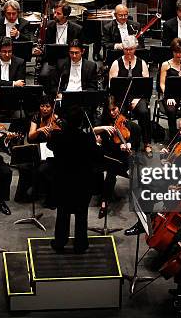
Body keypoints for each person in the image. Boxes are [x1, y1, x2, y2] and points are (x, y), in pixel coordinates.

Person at [48, 105, 102, 253]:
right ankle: (80, 244)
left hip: (63, 181)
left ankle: (60, 242)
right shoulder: (88, 138)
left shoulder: (58, 136)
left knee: (63, 213)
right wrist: (98, 144)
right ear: (81, 123)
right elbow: (98, 156)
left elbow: (49, 146)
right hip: (82, 183)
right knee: (81, 214)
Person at [93, 95, 140, 218]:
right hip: (109, 157)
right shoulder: (104, 121)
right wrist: (103, 128)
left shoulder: (126, 122)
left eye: (114, 109)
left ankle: (104, 201)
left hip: (123, 159)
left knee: (111, 171)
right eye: (109, 110)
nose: (112, 112)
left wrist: (129, 144)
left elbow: (134, 141)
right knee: (110, 170)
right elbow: (93, 130)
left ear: (119, 108)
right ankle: (104, 200)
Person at [108, 40, 153, 157]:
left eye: (131, 49)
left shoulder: (142, 63)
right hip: (120, 97)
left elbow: (146, 87)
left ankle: (147, 142)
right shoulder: (116, 63)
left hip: (138, 97)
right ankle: (121, 142)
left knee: (144, 110)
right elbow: (111, 87)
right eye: (126, 49)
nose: (128, 52)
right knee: (119, 112)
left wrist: (138, 99)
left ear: (135, 48)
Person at [0, 0, 31, 72]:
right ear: (4, 13)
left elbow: (28, 39)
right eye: (8, 13)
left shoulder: (24, 23)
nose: (11, 16)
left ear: (18, 13)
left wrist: (18, 34)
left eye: (14, 13)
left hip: (17, 56)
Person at [0, 37, 26, 107]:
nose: (7, 54)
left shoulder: (20, 62)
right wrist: (13, 83)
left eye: (10, 51)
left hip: (12, 98)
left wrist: (15, 84)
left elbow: (21, 83)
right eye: (4, 51)